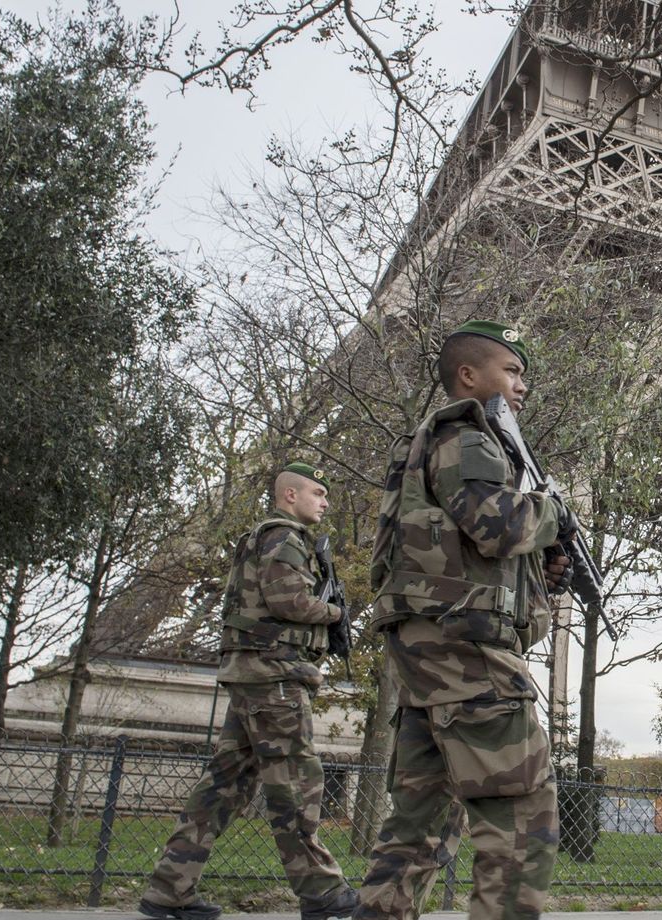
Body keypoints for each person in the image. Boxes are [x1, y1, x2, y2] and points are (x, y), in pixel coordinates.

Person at [355, 320, 572, 920]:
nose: (522, 384)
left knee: (422, 821)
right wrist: (551, 513)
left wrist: (538, 580)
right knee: (523, 815)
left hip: (431, 653)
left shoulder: (429, 442)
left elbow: (460, 550)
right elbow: (495, 524)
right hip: (465, 652)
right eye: (512, 370)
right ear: (469, 376)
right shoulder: (469, 432)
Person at [139, 463, 359, 920]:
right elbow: (290, 602)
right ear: (290, 495)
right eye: (318, 493)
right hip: (274, 679)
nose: (325, 502)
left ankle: (169, 889)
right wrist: (337, 615)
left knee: (222, 787)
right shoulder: (285, 538)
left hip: (253, 676)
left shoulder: (261, 538)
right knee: (295, 783)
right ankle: (321, 891)